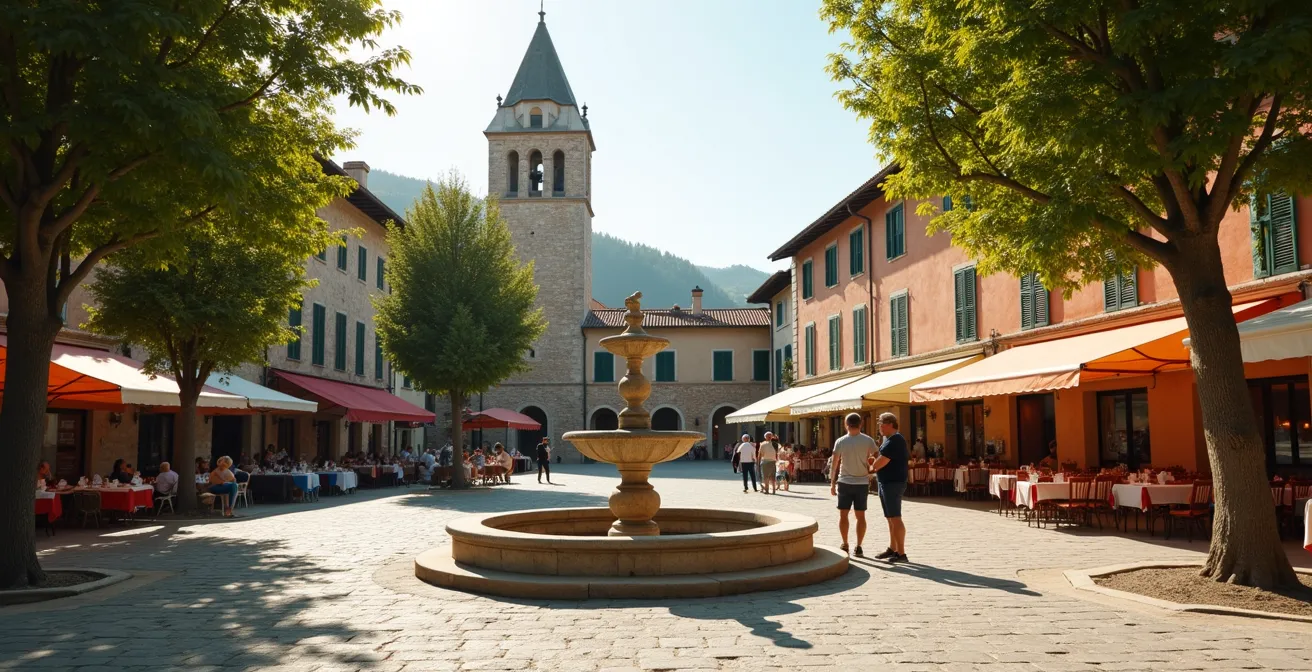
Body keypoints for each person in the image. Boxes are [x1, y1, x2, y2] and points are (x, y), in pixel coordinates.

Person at [830, 413, 879, 557]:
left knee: (843, 515)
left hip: (844, 481)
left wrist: (832, 483)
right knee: (861, 516)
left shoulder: (840, 441)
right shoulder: (868, 440)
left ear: (846, 424)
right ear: (860, 424)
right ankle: (859, 546)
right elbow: (878, 457)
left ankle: (845, 544)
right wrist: (872, 469)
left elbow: (834, 464)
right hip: (862, 482)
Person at [870, 412, 910, 563]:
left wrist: (873, 464)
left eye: (881, 424)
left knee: (895, 517)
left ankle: (901, 553)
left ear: (889, 425)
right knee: (890, 518)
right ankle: (893, 548)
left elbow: (880, 463)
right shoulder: (889, 440)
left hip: (893, 483)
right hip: (886, 482)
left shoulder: (895, 440)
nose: (879, 427)